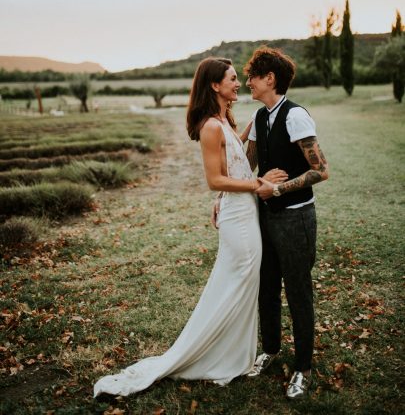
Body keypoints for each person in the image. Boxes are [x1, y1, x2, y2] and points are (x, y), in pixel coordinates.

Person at [93, 57, 286, 397]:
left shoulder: (225, 119)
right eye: (231, 79)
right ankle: (216, 356)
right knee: (238, 284)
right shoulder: (210, 126)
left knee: (239, 285)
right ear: (215, 85)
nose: (238, 83)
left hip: (241, 211)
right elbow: (215, 179)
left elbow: (235, 163)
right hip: (239, 220)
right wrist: (257, 184)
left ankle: (233, 356)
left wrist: (230, 193)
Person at [242, 46, 329, 399]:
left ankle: (303, 367)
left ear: (270, 79)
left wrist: (277, 188)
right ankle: (272, 350)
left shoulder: (296, 117)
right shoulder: (259, 117)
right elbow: (245, 166)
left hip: (296, 219)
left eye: (252, 76)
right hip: (264, 218)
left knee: (297, 292)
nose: (248, 82)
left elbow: (321, 170)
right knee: (266, 287)